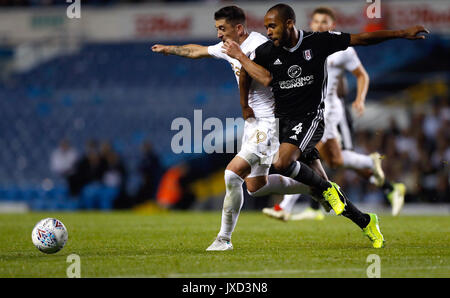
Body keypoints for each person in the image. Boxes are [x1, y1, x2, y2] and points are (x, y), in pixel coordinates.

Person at [222, 3, 428, 248]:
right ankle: (365, 221)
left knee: (282, 163)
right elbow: (246, 72)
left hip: (310, 118)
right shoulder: (267, 51)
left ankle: (323, 188)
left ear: (289, 24)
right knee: (312, 192)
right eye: (266, 27)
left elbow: (360, 38)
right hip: (282, 123)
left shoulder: (317, 42)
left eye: (273, 26)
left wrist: (401, 33)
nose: (268, 31)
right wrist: (244, 103)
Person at [152, 5, 344, 251]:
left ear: (239, 28)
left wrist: (241, 59)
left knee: (232, 174)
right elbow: (196, 51)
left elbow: (267, 78)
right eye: (217, 29)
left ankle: (224, 239)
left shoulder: (260, 46)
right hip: (254, 124)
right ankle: (320, 187)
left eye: (222, 28)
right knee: (255, 187)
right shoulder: (227, 47)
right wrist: (169, 49)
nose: (219, 34)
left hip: (271, 121)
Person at [262, 6, 406, 221]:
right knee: (333, 160)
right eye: (316, 22)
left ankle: (293, 203)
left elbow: (360, 74)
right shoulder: (298, 46)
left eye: (324, 22)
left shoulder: (337, 48)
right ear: (310, 24)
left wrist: (358, 98)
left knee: (301, 153)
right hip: (305, 110)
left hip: (326, 111)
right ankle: (370, 174)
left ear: (332, 26)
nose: (319, 26)